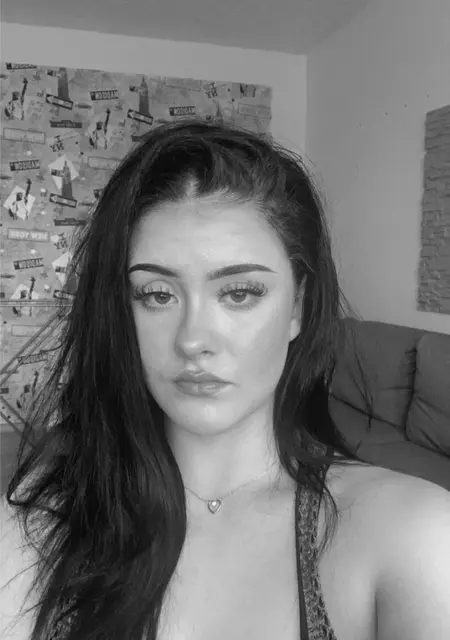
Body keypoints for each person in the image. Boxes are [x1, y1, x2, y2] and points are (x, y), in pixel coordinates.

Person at [1, 120, 449, 640]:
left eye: (239, 293)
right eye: (157, 295)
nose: (193, 340)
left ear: (298, 308)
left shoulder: (411, 535)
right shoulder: (40, 522)